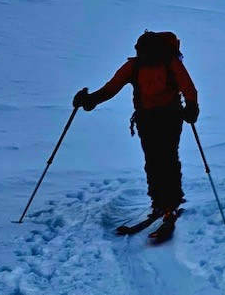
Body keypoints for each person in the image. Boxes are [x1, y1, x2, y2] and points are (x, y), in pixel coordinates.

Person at [72, 31, 200, 218]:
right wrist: (191, 107)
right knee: (165, 156)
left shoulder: (138, 65)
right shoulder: (166, 63)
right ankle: (168, 200)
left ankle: (163, 199)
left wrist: (90, 100)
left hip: (153, 118)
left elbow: (111, 88)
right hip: (164, 117)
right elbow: (189, 88)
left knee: (157, 157)